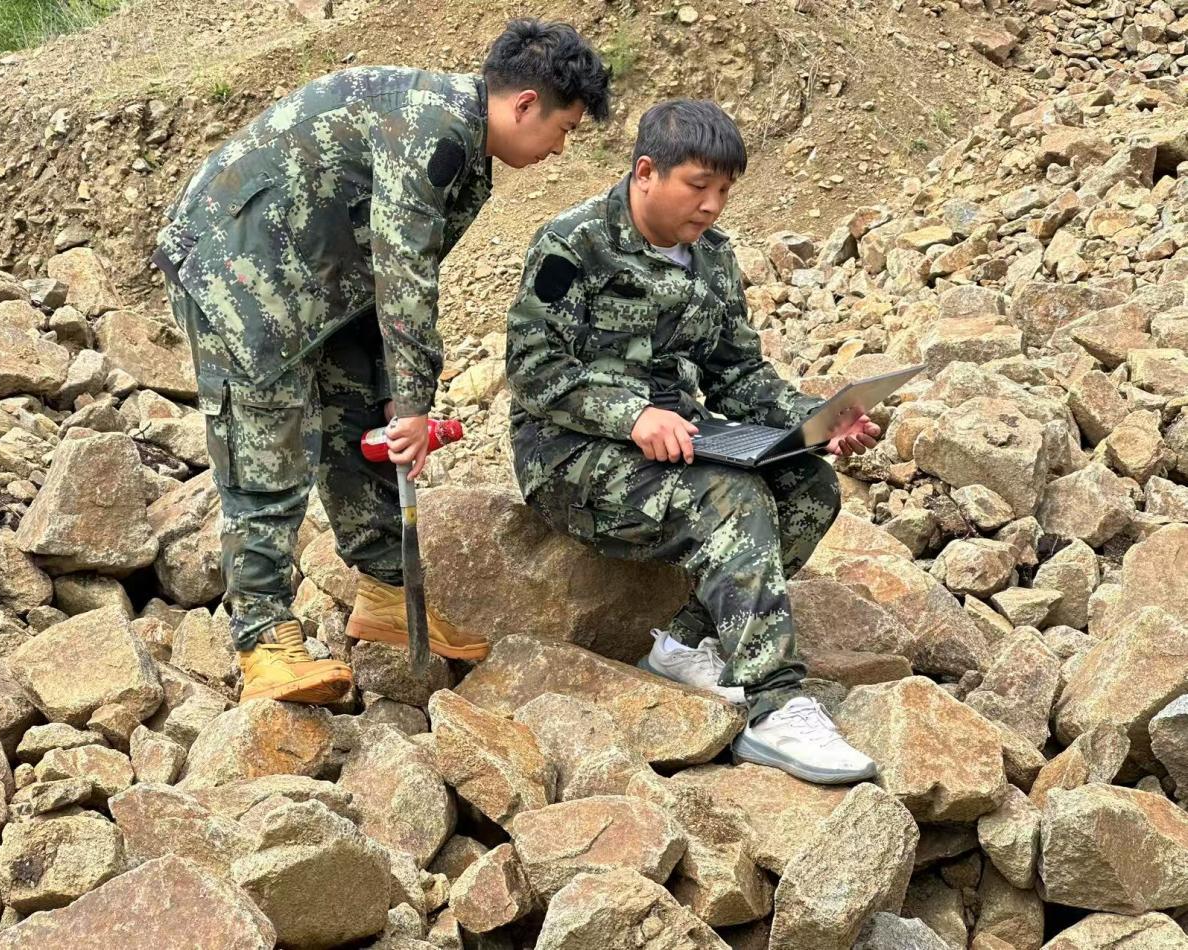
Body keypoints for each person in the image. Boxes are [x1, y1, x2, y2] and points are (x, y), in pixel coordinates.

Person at [153, 19, 612, 704]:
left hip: (314, 278)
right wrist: (418, 404)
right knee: (269, 446)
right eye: (564, 129)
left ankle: (388, 593)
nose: (560, 148)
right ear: (524, 105)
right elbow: (404, 270)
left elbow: (383, 265)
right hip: (237, 269)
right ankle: (264, 642)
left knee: (357, 411)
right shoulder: (435, 127)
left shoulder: (463, 140)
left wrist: (396, 390)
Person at [505, 99, 881, 784]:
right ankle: (773, 706)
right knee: (732, 497)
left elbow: (738, 375)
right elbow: (534, 371)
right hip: (569, 454)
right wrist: (631, 416)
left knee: (809, 486)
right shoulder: (572, 244)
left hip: (682, 438)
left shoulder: (712, 257)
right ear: (647, 172)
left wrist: (818, 422)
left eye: (724, 191)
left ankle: (683, 647)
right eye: (698, 186)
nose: (712, 206)